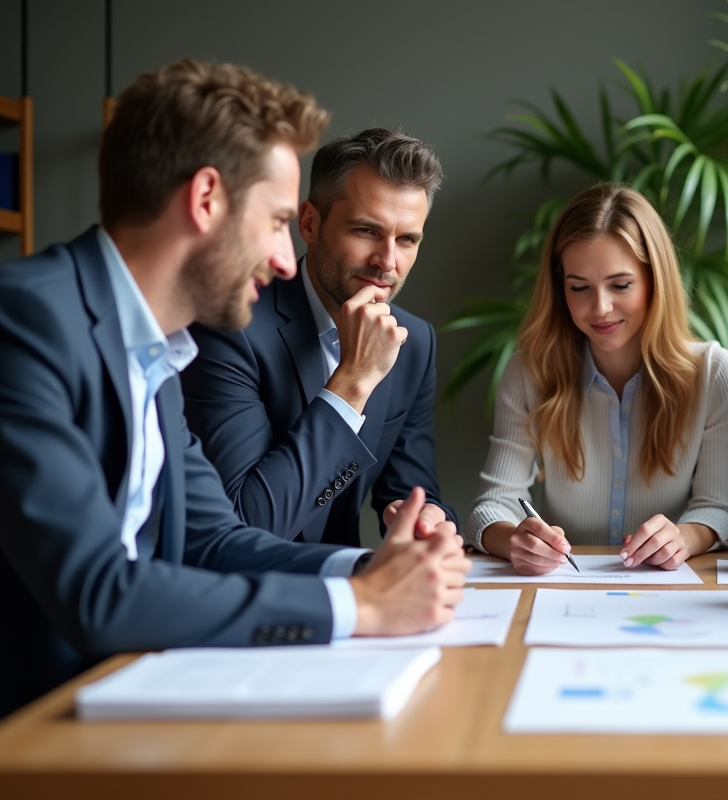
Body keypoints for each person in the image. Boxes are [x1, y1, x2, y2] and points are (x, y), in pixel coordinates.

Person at [0, 60, 469, 718]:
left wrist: (370, 571)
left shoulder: (157, 344)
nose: (285, 259)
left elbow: (212, 540)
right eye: (278, 221)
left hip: (133, 694)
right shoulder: (27, 322)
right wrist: (359, 606)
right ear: (205, 200)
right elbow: (99, 592)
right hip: (35, 724)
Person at [180, 128, 452, 547]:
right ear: (309, 222)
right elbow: (245, 521)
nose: (387, 262)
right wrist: (354, 381)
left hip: (354, 589)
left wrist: (427, 519)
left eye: (407, 239)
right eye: (366, 231)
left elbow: (414, 490)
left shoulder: (413, 340)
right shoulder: (229, 327)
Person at [465, 183, 728, 574]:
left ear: (654, 280)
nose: (600, 308)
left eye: (621, 285)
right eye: (579, 287)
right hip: (562, 589)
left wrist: (683, 538)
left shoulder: (713, 372)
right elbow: (492, 505)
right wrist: (515, 541)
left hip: (669, 588)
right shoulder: (529, 371)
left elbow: (720, 508)